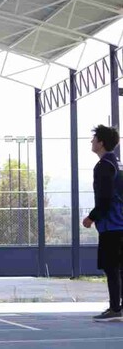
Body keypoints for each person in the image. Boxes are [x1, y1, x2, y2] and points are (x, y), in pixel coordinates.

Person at [83, 125, 123, 322]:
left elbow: (105, 198)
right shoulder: (116, 164)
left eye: (93, 139)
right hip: (118, 224)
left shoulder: (104, 166)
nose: (91, 142)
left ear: (101, 143)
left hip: (112, 225)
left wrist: (92, 217)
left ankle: (116, 308)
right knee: (118, 267)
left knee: (111, 267)